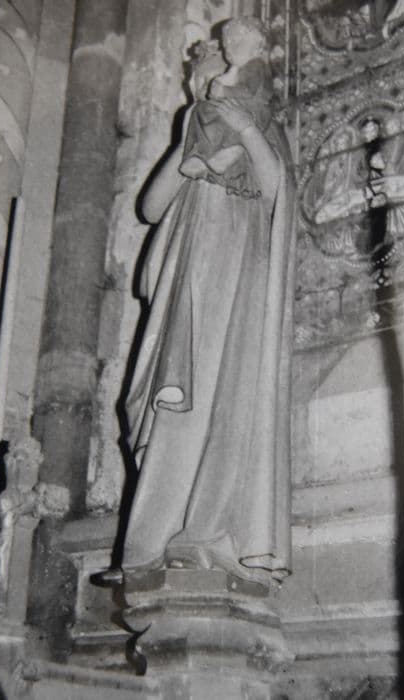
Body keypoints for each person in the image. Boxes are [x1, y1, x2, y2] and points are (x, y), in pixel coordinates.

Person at [106, 23, 296, 587]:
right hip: (186, 282)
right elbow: (149, 207)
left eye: (218, 80)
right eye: (202, 84)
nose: (210, 89)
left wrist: (245, 129)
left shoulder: (261, 122)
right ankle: (149, 542)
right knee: (174, 401)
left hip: (238, 278)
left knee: (227, 397)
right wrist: (189, 142)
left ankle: (207, 532)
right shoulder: (194, 128)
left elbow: (276, 191)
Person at [180, 17, 274, 199]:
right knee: (201, 110)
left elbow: (248, 91)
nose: (229, 48)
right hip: (240, 106)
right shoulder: (239, 68)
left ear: (256, 45)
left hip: (254, 111)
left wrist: (224, 91)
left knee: (212, 112)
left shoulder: (255, 65)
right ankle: (201, 155)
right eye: (226, 44)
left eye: (236, 41)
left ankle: (231, 150)